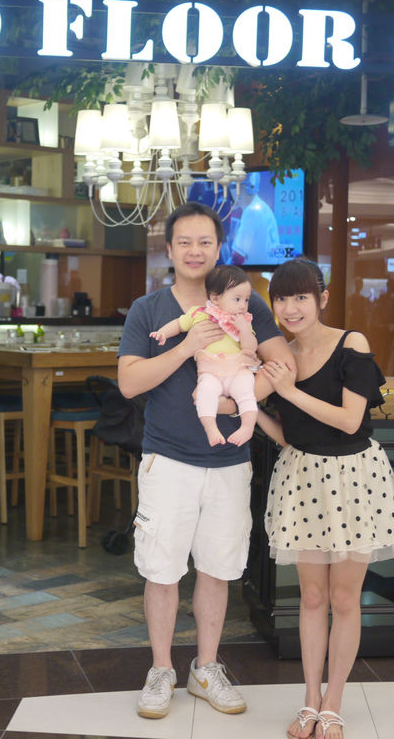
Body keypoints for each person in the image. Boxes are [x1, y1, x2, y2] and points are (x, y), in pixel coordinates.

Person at [118, 201, 292, 720]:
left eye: (205, 242)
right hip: (167, 459)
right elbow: (129, 382)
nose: (195, 251)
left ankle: (206, 668)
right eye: (185, 243)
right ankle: (161, 670)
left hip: (230, 460)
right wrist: (185, 346)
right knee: (162, 570)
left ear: (220, 249)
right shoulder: (149, 310)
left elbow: (284, 362)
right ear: (170, 250)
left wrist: (237, 402)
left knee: (218, 568)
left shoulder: (245, 300)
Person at [256, 258, 394, 739]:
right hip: (302, 478)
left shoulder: (351, 344)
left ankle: (333, 703)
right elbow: (290, 436)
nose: (290, 308)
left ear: (321, 298)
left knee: (344, 598)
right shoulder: (280, 356)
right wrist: (250, 404)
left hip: (353, 478)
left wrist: (287, 390)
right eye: (281, 298)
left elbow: (348, 420)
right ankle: (309, 701)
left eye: (301, 297)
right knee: (311, 597)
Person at [149, 265, 260, 447]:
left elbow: (251, 348)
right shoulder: (199, 313)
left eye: (246, 300)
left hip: (238, 371)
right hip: (211, 372)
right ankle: (211, 428)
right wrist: (163, 333)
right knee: (205, 394)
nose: (243, 305)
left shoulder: (244, 321)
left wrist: (244, 330)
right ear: (215, 298)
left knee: (246, 393)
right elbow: (178, 324)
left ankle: (247, 427)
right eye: (237, 299)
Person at [229, 172, 280, 266]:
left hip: (254, 272)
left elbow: (237, 257)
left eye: (235, 187)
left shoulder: (251, 211)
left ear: (247, 188)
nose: (233, 193)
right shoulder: (261, 207)